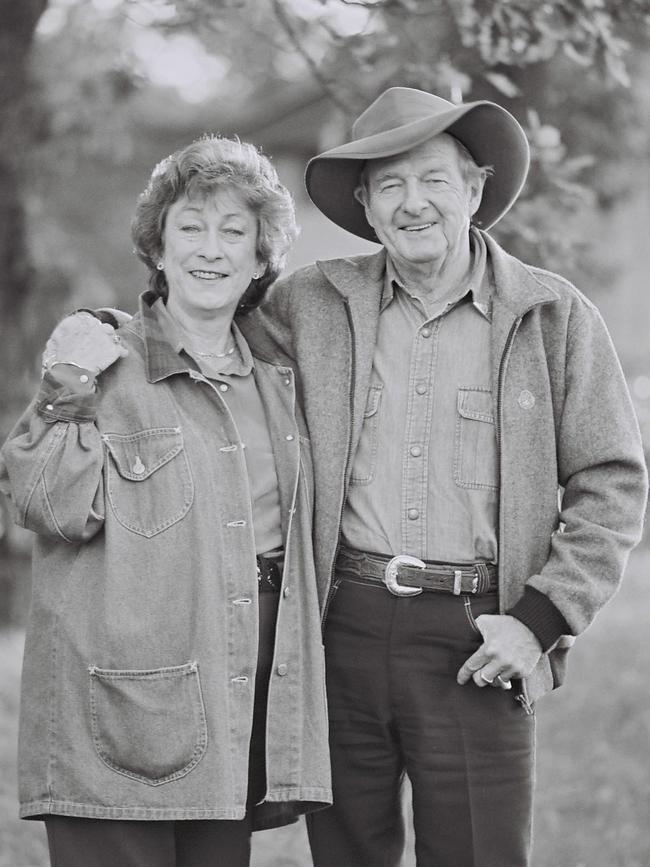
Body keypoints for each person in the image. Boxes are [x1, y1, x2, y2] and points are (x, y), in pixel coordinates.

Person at [240, 87, 648, 866]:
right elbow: (211, 353)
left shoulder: (552, 316)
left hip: (480, 635)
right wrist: (115, 336)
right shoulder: (309, 303)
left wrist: (538, 620)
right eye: (389, 185)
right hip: (342, 629)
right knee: (349, 853)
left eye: (433, 179)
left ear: (474, 188)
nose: (412, 202)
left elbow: (613, 482)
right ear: (365, 204)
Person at [0, 135, 331, 867]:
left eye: (233, 231)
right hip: (118, 718)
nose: (210, 249)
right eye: (190, 227)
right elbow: (44, 503)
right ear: (158, 246)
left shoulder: (278, 377)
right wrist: (66, 389)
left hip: (236, 696)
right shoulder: (102, 361)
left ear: (259, 258)